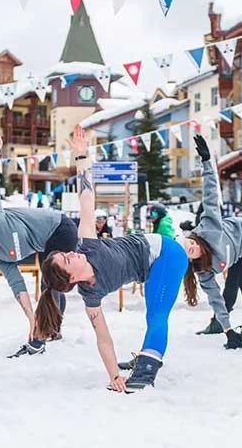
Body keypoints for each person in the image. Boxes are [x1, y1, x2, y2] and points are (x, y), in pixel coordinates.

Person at [35, 125, 188, 392]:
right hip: (152, 269)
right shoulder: (90, 295)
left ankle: (147, 369)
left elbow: (86, 200)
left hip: (166, 252)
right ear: (71, 278)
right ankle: (144, 360)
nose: (72, 252)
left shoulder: (87, 246)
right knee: (153, 313)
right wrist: (113, 375)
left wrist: (81, 157)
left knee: (156, 314)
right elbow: (103, 338)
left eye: (65, 253)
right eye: (68, 259)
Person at [0, 126, 78, 358]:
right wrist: (30, 316)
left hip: (60, 227)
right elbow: (17, 286)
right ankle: (50, 329)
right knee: (52, 283)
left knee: (49, 282)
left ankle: (42, 336)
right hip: (45, 243)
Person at [182, 135, 242, 348]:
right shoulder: (202, 272)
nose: (193, 246)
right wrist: (227, 330)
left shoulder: (208, 228)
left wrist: (206, 161)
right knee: (230, 285)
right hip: (238, 248)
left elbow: (211, 192)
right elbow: (214, 298)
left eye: (191, 243)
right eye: (189, 251)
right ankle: (217, 324)